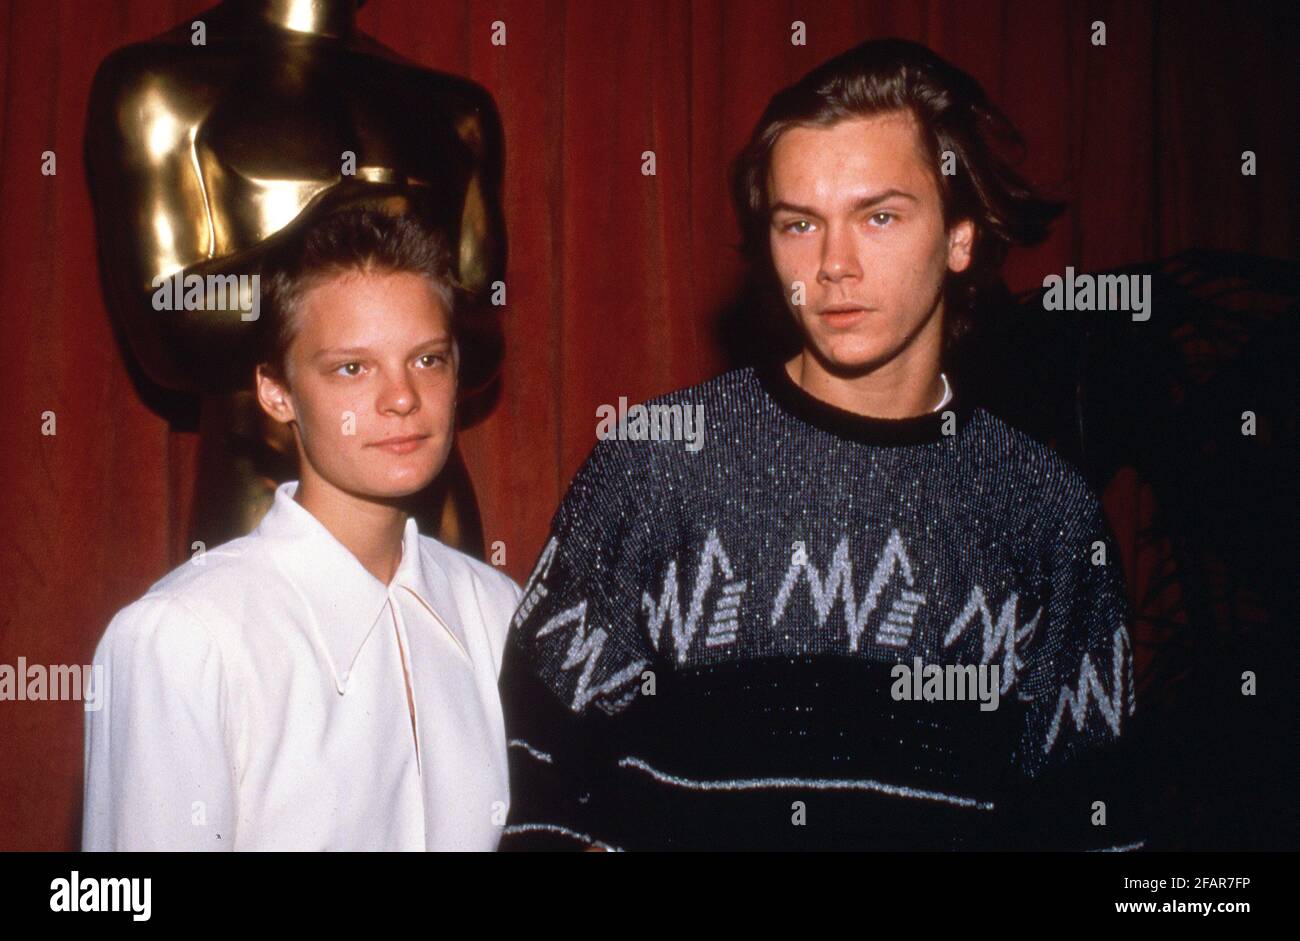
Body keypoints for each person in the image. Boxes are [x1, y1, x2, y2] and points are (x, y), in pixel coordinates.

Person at [499, 39, 1146, 851]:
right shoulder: (655, 467)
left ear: (960, 239)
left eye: (880, 216)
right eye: (799, 223)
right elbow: (537, 787)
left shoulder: (1046, 515)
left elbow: (1094, 828)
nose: (834, 265)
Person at [83, 208, 521, 850]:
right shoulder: (182, 640)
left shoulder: (499, 612)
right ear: (275, 392)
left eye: (427, 360)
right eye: (352, 368)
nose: (401, 397)